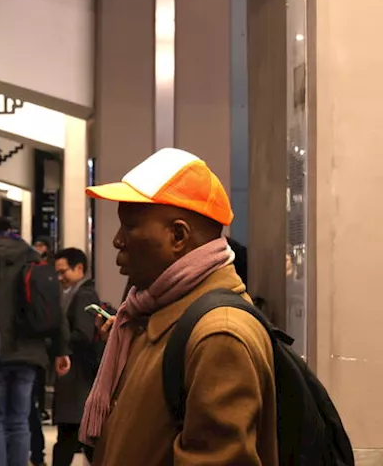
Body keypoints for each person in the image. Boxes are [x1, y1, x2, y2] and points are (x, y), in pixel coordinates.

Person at [82, 147, 277, 465]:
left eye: (129, 227)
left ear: (178, 236)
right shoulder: (154, 317)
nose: (118, 240)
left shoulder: (219, 336)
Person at [0, 217, 70, 466]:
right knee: (20, 419)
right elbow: (54, 307)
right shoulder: (34, 259)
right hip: (30, 351)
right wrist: (61, 350)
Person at [52, 248, 102, 466]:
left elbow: (83, 334)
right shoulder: (75, 292)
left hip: (78, 373)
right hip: (78, 375)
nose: (60, 278)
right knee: (76, 434)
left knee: (70, 433)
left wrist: (56, 342)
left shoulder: (84, 294)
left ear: (79, 268)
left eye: (64, 272)